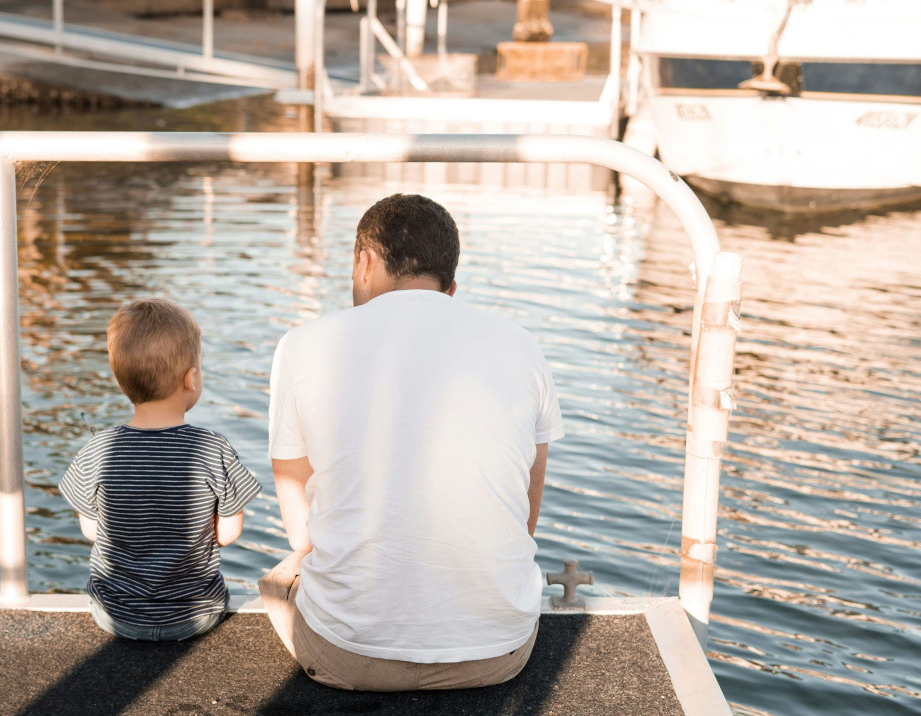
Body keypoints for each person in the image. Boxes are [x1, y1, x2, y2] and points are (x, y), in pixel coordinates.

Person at [260, 193, 564, 691]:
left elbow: (302, 534)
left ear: (364, 262)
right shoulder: (522, 346)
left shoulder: (301, 345)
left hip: (349, 656)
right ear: (451, 288)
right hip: (499, 653)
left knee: (286, 571)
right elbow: (523, 519)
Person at [61, 298, 262, 641]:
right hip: (195, 616)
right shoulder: (213, 448)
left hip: (116, 615)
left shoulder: (97, 449)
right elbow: (229, 533)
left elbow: (91, 531)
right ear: (191, 378)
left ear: (120, 380)